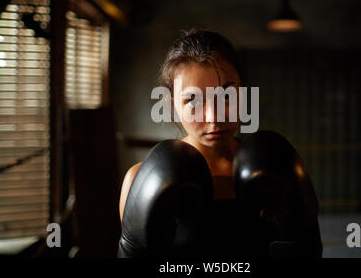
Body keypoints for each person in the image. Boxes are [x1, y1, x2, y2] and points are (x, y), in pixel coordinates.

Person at [117, 29, 322, 257]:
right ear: (172, 102)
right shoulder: (140, 180)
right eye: (193, 100)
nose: (213, 118)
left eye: (226, 96)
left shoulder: (278, 171)